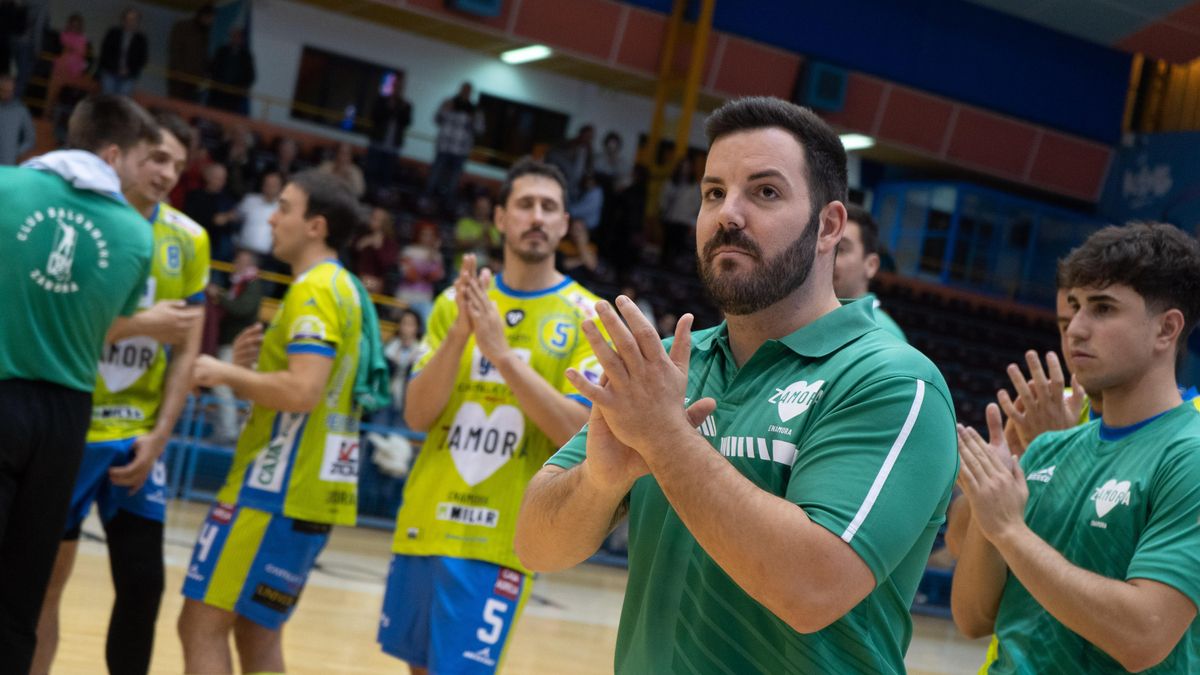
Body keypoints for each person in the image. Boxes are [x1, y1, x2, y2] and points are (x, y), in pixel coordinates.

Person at [514, 97, 959, 674]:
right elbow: (536, 546)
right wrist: (600, 480)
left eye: (765, 192)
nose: (729, 214)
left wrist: (667, 441)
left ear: (828, 225)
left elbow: (811, 589)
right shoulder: (675, 366)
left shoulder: (893, 382)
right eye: (713, 193)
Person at [377, 158, 602, 674]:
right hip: (425, 520)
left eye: (550, 208)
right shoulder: (451, 305)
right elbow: (416, 415)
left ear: (566, 224)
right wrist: (460, 334)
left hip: (502, 538)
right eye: (525, 205)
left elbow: (579, 430)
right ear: (500, 218)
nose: (537, 217)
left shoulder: (588, 315)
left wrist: (502, 355)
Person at [952, 222, 1200, 674]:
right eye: (1074, 310)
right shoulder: (1047, 450)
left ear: (1166, 329)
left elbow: (1143, 637)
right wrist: (987, 507)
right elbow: (972, 618)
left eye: (1103, 309)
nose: (1077, 331)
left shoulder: (1189, 457)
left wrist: (1009, 530)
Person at [32, 111, 210, 675]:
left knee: (143, 588)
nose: (166, 173)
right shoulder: (84, 222)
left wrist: (160, 436)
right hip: (73, 430)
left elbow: (188, 348)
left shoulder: (189, 238)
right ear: (123, 154)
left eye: (178, 166)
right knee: (44, 589)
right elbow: (58, 321)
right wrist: (143, 325)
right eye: (158, 158)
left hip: (134, 441)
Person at [178, 170, 369, 673]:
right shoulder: (348, 289)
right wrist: (249, 374)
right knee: (257, 633)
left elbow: (303, 392)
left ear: (316, 226)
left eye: (284, 207)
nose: (272, 216)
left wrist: (220, 371)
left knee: (200, 623)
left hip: (273, 489)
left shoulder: (315, 291)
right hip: (310, 488)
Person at [0, 94, 158, 672]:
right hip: (66, 419)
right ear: (113, 153)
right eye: (143, 160)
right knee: (21, 593)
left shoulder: (6, 188)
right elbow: (105, 320)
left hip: (4, 387)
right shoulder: (137, 237)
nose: (146, 176)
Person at [206, 248, 265, 444]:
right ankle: (235, 430)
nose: (235, 265)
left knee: (223, 385)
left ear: (250, 265)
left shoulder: (252, 284)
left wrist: (220, 297)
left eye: (240, 261)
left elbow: (242, 309)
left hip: (237, 345)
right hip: (232, 343)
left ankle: (231, 431)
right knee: (234, 387)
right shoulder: (239, 285)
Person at [833, 203, 905, 341]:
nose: (827, 258)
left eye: (841, 249)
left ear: (871, 265)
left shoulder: (885, 335)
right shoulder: (804, 318)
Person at [423, 82, 484, 212]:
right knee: (435, 174)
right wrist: (445, 109)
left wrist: (474, 120)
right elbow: (436, 119)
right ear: (460, 90)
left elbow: (480, 130)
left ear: (471, 93)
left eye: (468, 91)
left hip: (461, 150)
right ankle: (426, 199)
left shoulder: (473, 109)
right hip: (444, 147)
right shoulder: (449, 102)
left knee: (454, 179)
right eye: (464, 89)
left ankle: (446, 207)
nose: (465, 92)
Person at [185, 162, 240, 265]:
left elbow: (234, 223)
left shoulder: (228, 199)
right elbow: (189, 221)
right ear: (208, 177)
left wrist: (227, 218)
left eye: (224, 178)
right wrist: (214, 220)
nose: (222, 181)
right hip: (195, 246)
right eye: (218, 178)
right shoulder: (195, 196)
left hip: (220, 252)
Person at [366, 73, 412, 191]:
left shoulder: (405, 105)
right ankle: (368, 193)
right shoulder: (382, 101)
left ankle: (380, 197)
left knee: (386, 175)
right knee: (371, 171)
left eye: (400, 86)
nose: (397, 88)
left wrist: (398, 109)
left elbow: (407, 122)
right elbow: (374, 116)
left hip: (393, 145)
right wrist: (388, 108)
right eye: (396, 86)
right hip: (377, 142)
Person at [167, 3, 213, 102]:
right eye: (209, 18)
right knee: (174, 104)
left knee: (188, 107)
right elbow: (174, 50)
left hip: (194, 80)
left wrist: (204, 75)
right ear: (203, 16)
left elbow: (203, 56)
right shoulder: (182, 27)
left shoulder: (205, 33)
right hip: (179, 77)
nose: (210, 21)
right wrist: (177, 70)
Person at [97, 8, 148, 96]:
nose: (130, 22)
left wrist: (129, 70)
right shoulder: (113, 33)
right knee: (107, 98)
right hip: (110, 72)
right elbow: (105, 53)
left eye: (134, 19)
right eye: (128, 19)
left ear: (137, 22)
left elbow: (142, 59)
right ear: (123, 20)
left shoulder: (141, 40)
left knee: (122, 100)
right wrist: (116, 68)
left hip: (129, 76)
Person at [351, 206, 399, 294]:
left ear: (384, 223)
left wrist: (378, 247)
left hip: (376, 282)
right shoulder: (362, 234)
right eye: (372, 217)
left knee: (369, 283)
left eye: (377, 219)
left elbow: (387, 264)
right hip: (357, 276)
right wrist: (361, 244)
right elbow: (352, 254)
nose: (372, 221)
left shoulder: (389, 242)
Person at [208, 27, 255, 115]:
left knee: (228, 117)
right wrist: (216, 81)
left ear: (242, 39)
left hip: (233, 95)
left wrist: (240, 88)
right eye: (234, 36)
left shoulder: (246, 56)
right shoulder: (222, 51)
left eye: (238, 36)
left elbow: (250, 75)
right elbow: (212, 67)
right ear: (230, 37)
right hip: (217, 91)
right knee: (212, 114)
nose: (236, 38)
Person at [235, 170, 282, 258]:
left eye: (274, 184)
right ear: (263, 185)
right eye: (268, 184)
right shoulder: (250, 199)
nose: (270, 187)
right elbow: (234, 216)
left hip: (267, 258)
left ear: (280, 187)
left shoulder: (283, 208)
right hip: (243, 252)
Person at [0, 72, 35, 165]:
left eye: (10, 91)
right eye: (3, 90)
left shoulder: (21, 111)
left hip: (7, 163)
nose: (7, 94)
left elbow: (30, 139)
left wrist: (15, 152)